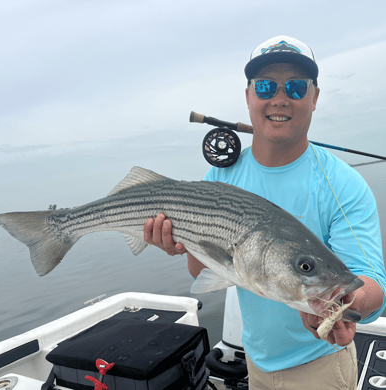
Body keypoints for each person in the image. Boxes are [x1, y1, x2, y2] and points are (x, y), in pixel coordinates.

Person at [144, 36, 386, 389]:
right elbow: (203, 269)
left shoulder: (343, 184)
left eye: (295, 87)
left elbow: (372, 284)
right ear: (248, 97)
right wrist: (179, 243)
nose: (280, 98)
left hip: (318, 367)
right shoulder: (221, 178)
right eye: (265, 86)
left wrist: (345, 302)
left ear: (314, 97)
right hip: (256, 362)